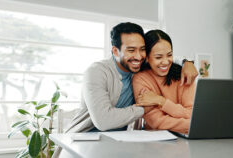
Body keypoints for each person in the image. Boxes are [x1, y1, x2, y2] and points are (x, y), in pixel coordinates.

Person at [53, 22, 197, 157]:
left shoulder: (137, 69)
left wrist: (187, 62)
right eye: (131, 50)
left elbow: (161, 56)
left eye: (142, 50)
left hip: (117, 143)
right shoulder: (97, 72)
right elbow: (103, 121)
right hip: (81, 143)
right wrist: (143, 109)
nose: (138, 56)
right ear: (115, 51)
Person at [132, 30, 196, 134]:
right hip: (156, 141)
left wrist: (161, 101)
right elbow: (156, 122)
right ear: (147, 58)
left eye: (169, 55)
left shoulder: (184, 75)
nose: (166, 62)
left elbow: (193, 114)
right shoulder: (140, 79)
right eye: (158, 57)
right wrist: (190, 123)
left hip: (187, 137)